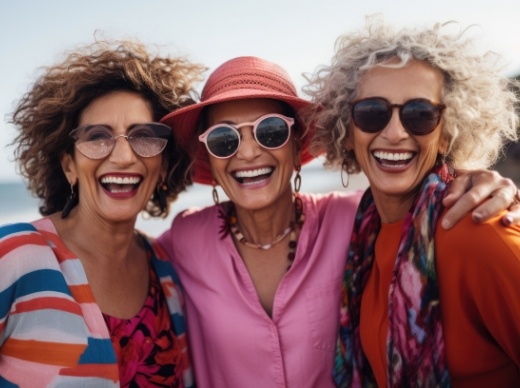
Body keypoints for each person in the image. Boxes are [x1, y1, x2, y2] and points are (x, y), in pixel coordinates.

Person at [158, 55, 520, 387]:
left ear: (297, 140)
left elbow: (420, 195)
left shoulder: (359, 221)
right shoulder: (182, 242)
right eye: (224, 139)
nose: (249, 152)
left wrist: (469, 177)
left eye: (270, 131)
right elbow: (117, 260)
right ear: (209, 153)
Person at [305, 19, 520, 387]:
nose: (394, 133)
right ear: (346, 130)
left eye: (419, 115)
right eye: (372, 113)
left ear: (446, 133)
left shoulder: (478, 232)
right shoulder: (366, 239)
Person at [0, 40, 204, 387]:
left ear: (163, 162)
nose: (124, 157)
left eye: (144, 136)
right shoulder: (13, 256)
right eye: (98, 136)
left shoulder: (165, 270)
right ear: (69, 166)